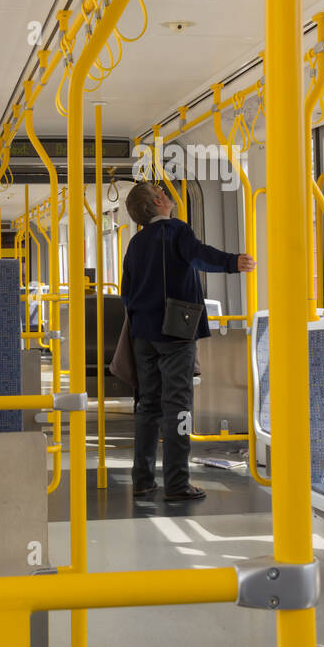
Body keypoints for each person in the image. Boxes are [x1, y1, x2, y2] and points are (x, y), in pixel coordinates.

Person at [120, 182, 255, 502]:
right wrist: (232, 262)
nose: (166, 194)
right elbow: (198, 256)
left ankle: (141, 479)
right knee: (178, 406)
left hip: (143, 334)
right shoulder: (176, 231)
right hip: (176, 329)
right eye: (161, 191)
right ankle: (178, 483)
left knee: (147, 406)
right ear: (157, 200)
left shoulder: (135, 243)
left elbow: (126, 290)